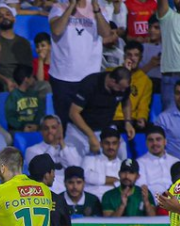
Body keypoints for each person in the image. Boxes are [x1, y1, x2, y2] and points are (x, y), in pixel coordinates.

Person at [48, 0, 112, 128]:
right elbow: (56, 30)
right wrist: (71, 6)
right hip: (63, 77)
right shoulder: (59, 7)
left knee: (88, 121)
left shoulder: (99, 8)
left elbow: (106, 33)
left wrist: (96, 10)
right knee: (64, 122)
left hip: (89, 78)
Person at [66, 67, 134, 157]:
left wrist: (128, 122)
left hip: (106, 127)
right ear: (112, 81)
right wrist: (91, 135)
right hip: (81, 129)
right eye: (120, 88)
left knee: (122, 151)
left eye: (125, 89)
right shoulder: (90, 84)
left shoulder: (123, 88)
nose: (123, 91)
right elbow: (73, 113)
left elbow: (126, 102)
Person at [29, 154, 71, 226]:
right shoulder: (58, 200)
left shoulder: (21, 200)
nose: (54, 176)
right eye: (53, 172)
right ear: (47, 174)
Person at [24, 115, 81, 195]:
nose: (50, 131)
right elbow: (41, 169)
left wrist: (62, 145)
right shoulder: (32, 150)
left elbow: (76, 170)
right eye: (46, 128)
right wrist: (53, 145)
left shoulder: (70, 148)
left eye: (53, 128)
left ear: (60, 129)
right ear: (41, 131)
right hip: (46, 192)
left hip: (68, 193)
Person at [0, 6, 33, 92]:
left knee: (45, 87)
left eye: (7, 14)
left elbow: (29, 68)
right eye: (0, 16)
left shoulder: (24, 42)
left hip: (22, 79)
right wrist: (6, 80)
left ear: (14, 19)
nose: (4, 17)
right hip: (0, 80)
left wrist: (28, 81)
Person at [111, 42, 152, 132]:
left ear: (140, 58)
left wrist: (142, 117)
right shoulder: (111, 73)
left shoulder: (145, 80)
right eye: (129, 55)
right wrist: (126, 72)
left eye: (136, 55)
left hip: (131, 119)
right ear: (124, 57)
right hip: (112, 117)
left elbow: (144, 105)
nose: (132, 58)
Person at [135, 125, 180, 196]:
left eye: (158, 139)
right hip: (152, 203)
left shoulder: (176, 162)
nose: (154, 143)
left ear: (165, 142)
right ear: (146, 143)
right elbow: (142, 189)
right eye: (151, 140)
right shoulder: (139, 163)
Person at [81, 128, 122, 199]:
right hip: (92, 201)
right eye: (107, 143)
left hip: (113, 203)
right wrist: (113, 180)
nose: (110, 147)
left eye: (114, 143)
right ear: (101, 144)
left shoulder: (122, 165)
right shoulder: (90, 159)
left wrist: (97, 178)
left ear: (119, 144)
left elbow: (124, 184)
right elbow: (86, 176)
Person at [4, 65, 45, 133]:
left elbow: (40, 111)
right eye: (32, 77)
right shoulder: (13, 96)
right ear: (26, 79)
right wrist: (22, 127)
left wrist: (36, 125)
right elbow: (10, 116)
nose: (34, 79)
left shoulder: (35, 94)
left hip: (35, 128)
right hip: (18, 130)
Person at [139, 15, 161, 93]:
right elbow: (135, 75)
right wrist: (151, 65)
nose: (152, 30)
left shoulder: (169, 48)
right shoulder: (141, 48)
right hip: (145, 85)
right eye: (150, 27)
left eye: (156, 28)